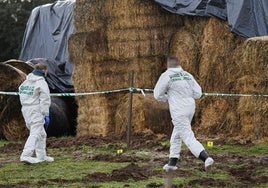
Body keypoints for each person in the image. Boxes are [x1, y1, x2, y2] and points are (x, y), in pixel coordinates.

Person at [154, 56, 214, 171]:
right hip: (190, 108)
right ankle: (172, 163)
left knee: (187, 136)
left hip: (178, 110)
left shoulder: (166, 76)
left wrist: (167, 98)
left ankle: (206, 158)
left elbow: (157, 95)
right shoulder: (187, 75)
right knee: (177, 135)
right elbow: (198, 93)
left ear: (168, 65)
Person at [19, 63, 54, 164]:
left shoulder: (26, 82)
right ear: (44, 71)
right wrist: (45, 113)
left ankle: (42, 156)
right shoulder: (41, 83)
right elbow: (45, 99)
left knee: (41, 133)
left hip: (25, 109)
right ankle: (26, 155)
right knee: (35, 133)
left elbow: (21, 93)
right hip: (35, 110)